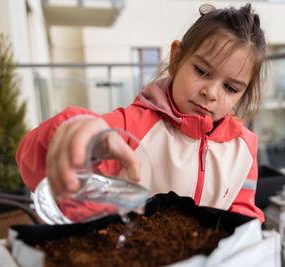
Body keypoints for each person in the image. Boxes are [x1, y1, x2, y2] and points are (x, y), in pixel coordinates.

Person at [16, 3, 267, 223]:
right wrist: (72, 135)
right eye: (202, 71)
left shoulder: (244, 147)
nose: (211, 93)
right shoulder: (128, 128)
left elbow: (242, 213)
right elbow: (35, 167)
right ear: (177, 58)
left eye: (231, 87)